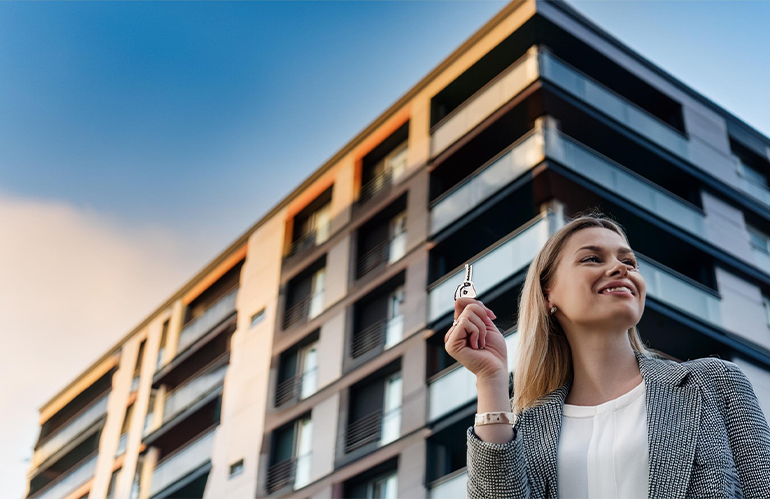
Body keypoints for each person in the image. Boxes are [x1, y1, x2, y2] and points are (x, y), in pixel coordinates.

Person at [444, 208, 770, 499]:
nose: (620, 268)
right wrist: (491, 380)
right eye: (592, 258)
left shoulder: (714, 384)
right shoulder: (528, 429)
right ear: (548, 295)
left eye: (628, 262)